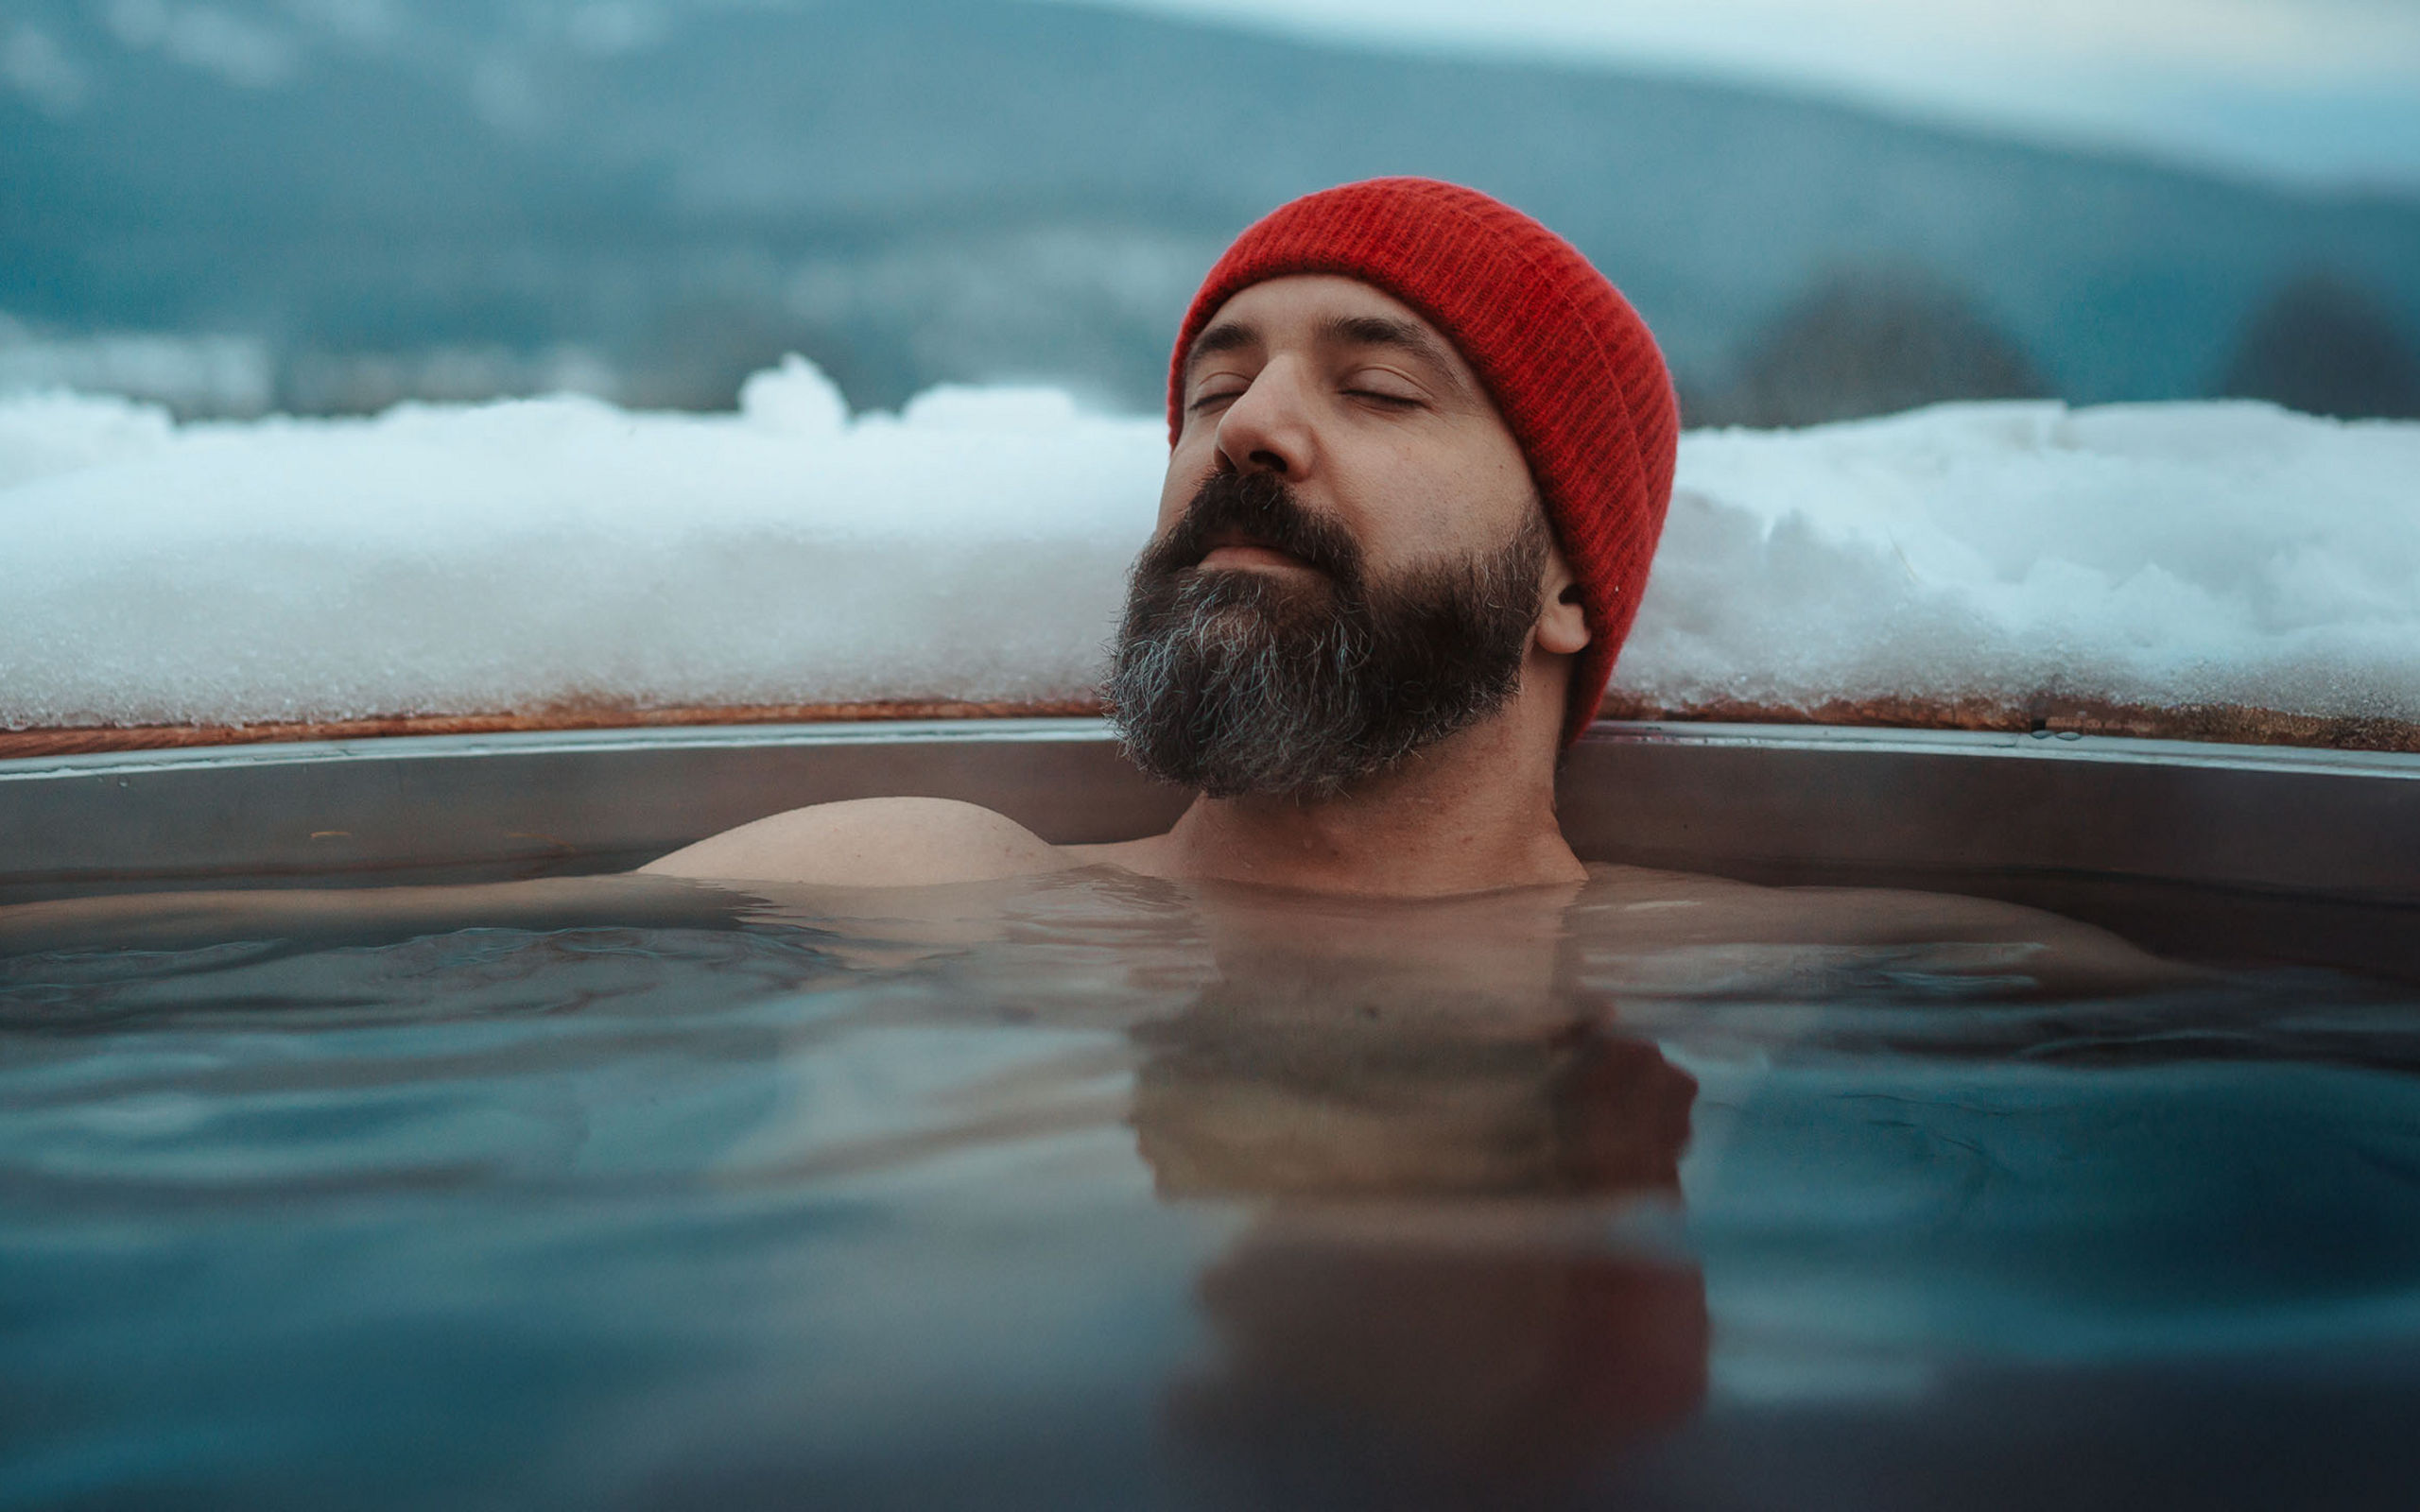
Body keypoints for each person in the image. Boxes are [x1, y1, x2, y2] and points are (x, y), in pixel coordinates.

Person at [645, 177, 1676, 898]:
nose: (1246, 431)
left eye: (1378, 391)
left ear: (1569, 589)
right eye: (1214, 393)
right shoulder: (899, 891)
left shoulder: (1720, 985)